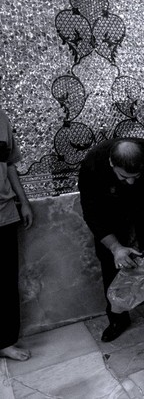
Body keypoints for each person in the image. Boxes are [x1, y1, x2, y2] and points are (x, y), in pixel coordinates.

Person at [78, 138, 144, 342]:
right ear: (111, 164)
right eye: (124, 177)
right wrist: (115, 247)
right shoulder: (92, 165)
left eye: (136, 176)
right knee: (111, 263)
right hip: (110, 215)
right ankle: (117, 318)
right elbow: (92, 213)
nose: (131, 182)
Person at [0, 109, 32, 361]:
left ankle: (5, 341)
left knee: (6, 283)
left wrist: (23, 201)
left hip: (4, 213)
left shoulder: (1, 117)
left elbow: (8, 163)